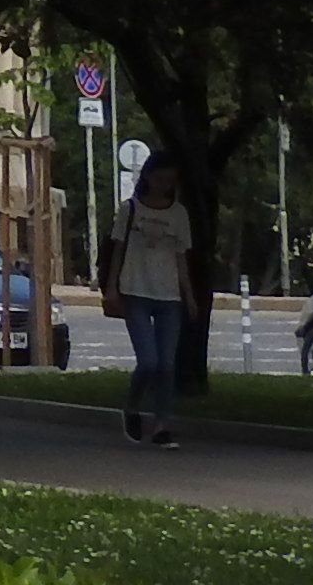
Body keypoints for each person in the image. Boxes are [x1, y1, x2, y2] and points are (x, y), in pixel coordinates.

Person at [108, 150, 198, 445]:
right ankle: (131, 407)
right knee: (149, 361)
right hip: (135, 290)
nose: (164, 185)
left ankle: (162, 423)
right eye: (160, 178)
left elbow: (181, 258)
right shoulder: (130, 209)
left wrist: (189, 296)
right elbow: (117, 251)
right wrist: (112, 289)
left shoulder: (178, 214)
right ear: (147, 176)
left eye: (170, 180)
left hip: (169, 295)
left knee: (167, 365)